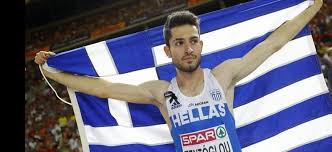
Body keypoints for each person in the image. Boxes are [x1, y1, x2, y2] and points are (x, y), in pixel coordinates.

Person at [34, 0, 323, 151]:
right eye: (179, 43)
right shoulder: (161, 92)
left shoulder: (222, 77)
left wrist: (313, 7)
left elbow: (272, 44)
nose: (188, 49)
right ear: (167, 50)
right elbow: (104, 89)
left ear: (201, 44)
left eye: (193, 41)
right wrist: (52, 71)